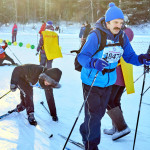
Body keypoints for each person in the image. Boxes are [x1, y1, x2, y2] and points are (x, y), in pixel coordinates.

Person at [77, 2, 150, 150]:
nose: (119, 26)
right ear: (108, 22)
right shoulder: (96, 35)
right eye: (116, 22)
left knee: (99, 114)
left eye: (121, 23)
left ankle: (85, 130)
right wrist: (93, 62)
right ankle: (91, 145)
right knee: (94, 117)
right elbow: (82, 57)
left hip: (109, 81)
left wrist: (141, 59)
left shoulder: (122, 37)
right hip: (92, 80)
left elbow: (130, 57)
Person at [104, 26, 135, 140]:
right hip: (124, 77)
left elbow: (113, 59)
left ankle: (121, 127)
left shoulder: (119, 40)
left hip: (116, 76)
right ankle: (117, 127)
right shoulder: (127, 39)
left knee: (108, 100)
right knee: (115, 101)